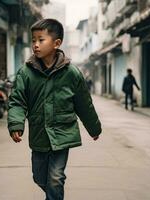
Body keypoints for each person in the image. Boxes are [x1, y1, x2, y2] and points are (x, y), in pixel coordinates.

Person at [7, 18, 102, 200]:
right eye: (33, 40)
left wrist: (94, 128)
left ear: (56, 43)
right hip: (39, 134)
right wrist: (16, 124)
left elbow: (84, 103)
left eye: (41, 40)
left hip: (63, 132)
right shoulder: (26, 73)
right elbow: (17, 101)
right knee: (39, 177)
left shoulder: (71, 73)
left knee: (56, 178)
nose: (35, 45)